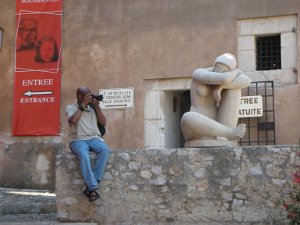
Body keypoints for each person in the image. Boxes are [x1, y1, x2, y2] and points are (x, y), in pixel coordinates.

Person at [181, 53, 252, 147]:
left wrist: (221, 87)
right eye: (218, 67)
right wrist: (236, 72)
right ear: (214, 64)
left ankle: (225, 133)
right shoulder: (199, 73)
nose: (220, 71)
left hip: (220, 123)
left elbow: (247, 81)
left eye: (225, 70)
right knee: (187, 117)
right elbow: (224, 79)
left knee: (234, 90)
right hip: (196, 126)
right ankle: (229, 132)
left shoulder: (226, 78)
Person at [65, 87, 111, 202]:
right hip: (77, 140)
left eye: (91, 95)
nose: (90, 98)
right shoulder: (70, 107)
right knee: (83, 154)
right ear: (80, 97)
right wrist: (83, 105)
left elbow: (103, 123)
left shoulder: (93, 108)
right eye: (87, 96)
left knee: (104, 150)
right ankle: (92, 187)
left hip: (94, 138)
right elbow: (73, 121)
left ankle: (92, 185)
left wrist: (97, 107)